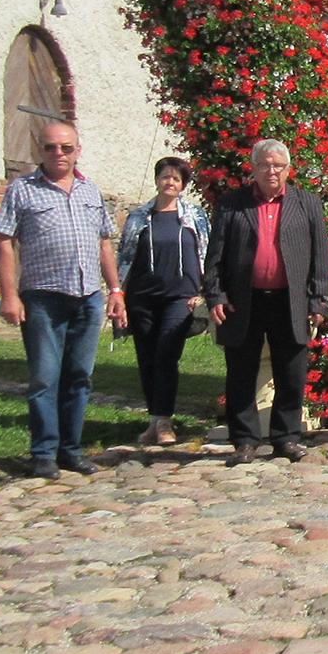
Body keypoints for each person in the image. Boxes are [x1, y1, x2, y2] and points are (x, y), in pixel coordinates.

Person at [0, 120, 125, 479]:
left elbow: (103, 243)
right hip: (43, 298)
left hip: (87, 297)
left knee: (79, 377)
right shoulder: (22, 190)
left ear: (78, 150)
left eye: (66, 147)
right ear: (41, 150)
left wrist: (115, 291)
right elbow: (5, 242)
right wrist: (9, 296)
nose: (59, 153)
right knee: (44, 379)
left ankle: (71, 450)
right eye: (51, 147)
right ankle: (43, 454)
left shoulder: (89, 190)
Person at [205, 138, 328, 465]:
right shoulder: (233, 204)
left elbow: (320, 256)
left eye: (278, 165)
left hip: (290, 300)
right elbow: (215, 256)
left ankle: (286, 437)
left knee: (291, 372)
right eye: (264, 164)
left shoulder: (306, 203)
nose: (271, 171)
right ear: (254, 168)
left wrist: (318, 301)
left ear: (288, 169)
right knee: (241, 372)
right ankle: (244, 440)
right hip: (243, 300)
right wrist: (216, 294)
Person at [116, 155, 210, 446]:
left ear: (183, 185)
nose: (170, 182)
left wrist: (205, 292)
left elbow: (207, 254)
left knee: (167, 355)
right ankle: (153, 421)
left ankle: (165, 421)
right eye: (165, 176)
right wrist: (119, 294)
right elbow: (125, 257)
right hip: (143, 297)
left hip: (180, 298)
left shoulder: (194, 217)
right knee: (146, 358)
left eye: (176, 178)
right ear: (157, 180)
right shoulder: (139, 217)